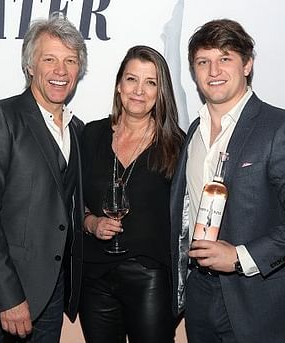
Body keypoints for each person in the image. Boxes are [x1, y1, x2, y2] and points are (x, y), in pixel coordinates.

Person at [170, 19, 285, 343]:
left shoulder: (281, 128)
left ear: (247, 64)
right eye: (203, 62)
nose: (213, 70)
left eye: (225, 58)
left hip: (260, 302)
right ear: (194, 71)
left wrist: (240, 257)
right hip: (200, 295)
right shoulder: (193, 134)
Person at [0, 13, 87, 342]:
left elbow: (66, 211)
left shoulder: (79, 131)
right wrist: (9, 298)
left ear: (79, 71)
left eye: (70, 60)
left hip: (50, 299)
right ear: (30, 66)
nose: (60, 71)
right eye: (49, 59)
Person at [79, 45, 184, 343]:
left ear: (160, 91)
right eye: (131, 79)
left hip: (149, 276)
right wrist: (90, 223)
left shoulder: (176, 145)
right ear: (118, 85)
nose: (139, 90)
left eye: (150, 82)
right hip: (95, 276)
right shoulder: (91, 135)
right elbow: (73, 201)